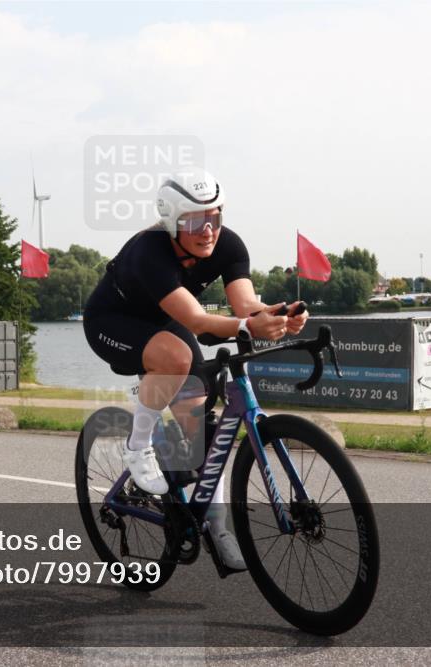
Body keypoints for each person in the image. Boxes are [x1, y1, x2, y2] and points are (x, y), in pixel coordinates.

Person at [83, 167, 308, 570]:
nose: (208, 231)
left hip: (164, 320)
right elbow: (199, 320)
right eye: (195, 221)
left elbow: (245, 307)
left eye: (215, 218)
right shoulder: (150, 251)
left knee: (202, 425)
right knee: (176, 358)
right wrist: (248, 326)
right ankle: (137, 448)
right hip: (110, 321)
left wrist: (279, 315)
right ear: (172, 222)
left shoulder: (229, 245)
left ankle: (217, 528)